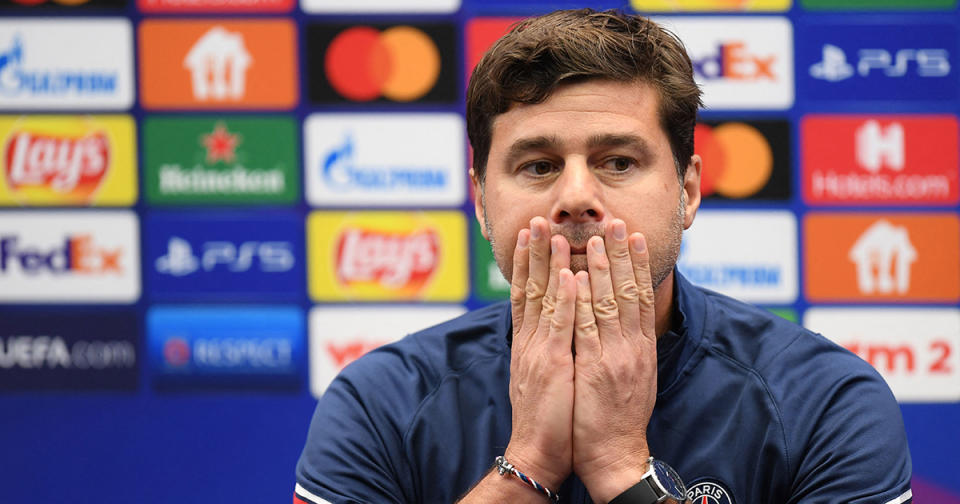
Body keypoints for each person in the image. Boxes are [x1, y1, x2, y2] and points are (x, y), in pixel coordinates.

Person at [295, 9, 912, 504]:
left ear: (688, 190)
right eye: (538, 166)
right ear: (482, 200)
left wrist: (621, 468)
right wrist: (528, 465)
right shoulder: (378, 403)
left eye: (618, 161)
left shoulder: (826, 399)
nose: (576, 198)